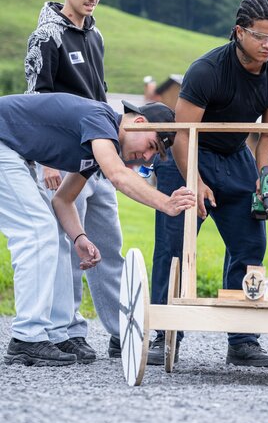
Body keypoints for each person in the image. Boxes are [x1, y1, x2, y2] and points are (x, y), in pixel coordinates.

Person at [149, 0, 268, 367]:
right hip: (188, 156)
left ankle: (242, 340)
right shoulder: (208, 70)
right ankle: (163, 335)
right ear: (239, 32)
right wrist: (194, 180)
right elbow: (182, 134)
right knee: (174, 248)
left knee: (250, 245)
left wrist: (265, 175)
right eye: (261, 37)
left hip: (235, 157)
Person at [1, 93, 195, 367]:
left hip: (13, 152)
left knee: (51, 235)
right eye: (151, 145)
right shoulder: (101, 118)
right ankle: (26, 338)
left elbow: (63, 199)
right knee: (37, 232)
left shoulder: (95, 147)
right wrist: (167, 203)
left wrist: (79, 237)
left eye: (154, 155)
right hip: (4, 145)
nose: (147, 156)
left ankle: (51, 335)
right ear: (138, 122)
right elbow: (117, 176)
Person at [24, 0, 122, 363]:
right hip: (62, 156)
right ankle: (67, 330)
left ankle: (122, 330)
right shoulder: (46, 36)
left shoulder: (95, 36)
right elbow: (37, 99)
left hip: (97, 155)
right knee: (70, 243)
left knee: (109, 242)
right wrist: (47, 159)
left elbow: (99, 96)